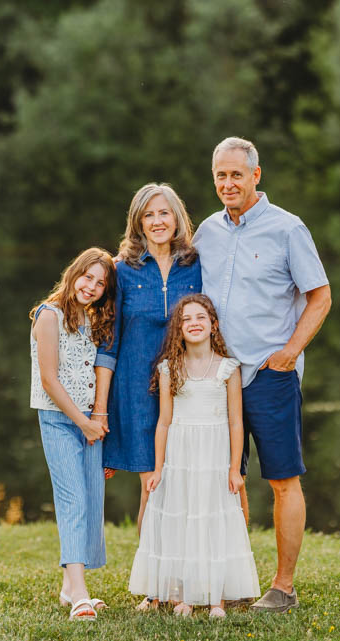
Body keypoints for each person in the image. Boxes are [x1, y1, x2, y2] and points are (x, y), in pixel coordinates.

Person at [193, 136, 332, 613]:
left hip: (270, 374)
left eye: (236, 174)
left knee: (282, 479)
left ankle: (283, 586)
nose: (228, 183)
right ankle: (240, 579)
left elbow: (320, 296)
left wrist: (291, 352)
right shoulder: (206, 232)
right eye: (220, 175)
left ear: (256, 175)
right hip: (218, 376)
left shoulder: (288, 229)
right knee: (230, 479)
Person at [128, 294, 260, 618]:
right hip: (180, 455)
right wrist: (159, 468)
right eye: (186, 319)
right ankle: (182, 594)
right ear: (179, 328)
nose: (194, 323)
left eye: (201, 317)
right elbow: (164, 421)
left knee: (213, 519)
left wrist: (234, 468)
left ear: (213, 325)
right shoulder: (169, 368)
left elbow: (235, 422)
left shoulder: (228, 369)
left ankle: (216, 597)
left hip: (214, 456)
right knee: (182, 519)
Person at [92, 183, 202, 534]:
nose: (157, 221)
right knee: (152, 484)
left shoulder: (196, 266)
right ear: (137, 223)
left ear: (177, 218)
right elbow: (108, 342)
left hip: (187, 389)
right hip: (136, 391)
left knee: (185, 487)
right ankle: (153, 582)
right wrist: (101, 407)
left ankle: (183, 575)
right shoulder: (121, 270)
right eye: (148, 215)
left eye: (164, 213)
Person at [30, 247, 117, 621]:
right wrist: (81, 423)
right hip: (60, 420)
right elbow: (49, 379)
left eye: (100, 283)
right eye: (87, 277)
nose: (92, 286)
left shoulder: (93, 318)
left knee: (92, 499)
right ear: (73, 273)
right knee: (73, 500)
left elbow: (97, 368)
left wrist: (98, 418)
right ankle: (80, 593)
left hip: (90, 422)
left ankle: (70, 586)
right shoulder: (49, 315)